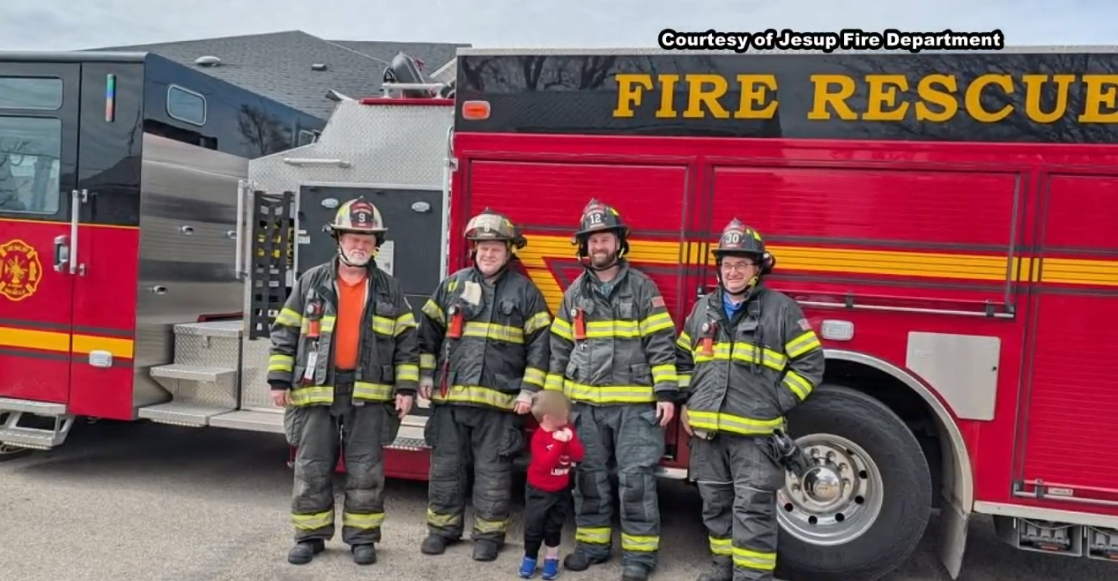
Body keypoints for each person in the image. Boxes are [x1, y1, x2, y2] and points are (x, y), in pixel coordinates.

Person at [267, 197, 419, 566]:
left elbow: (406, 343)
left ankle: (362, 538)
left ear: (376, 245)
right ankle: (309, 536)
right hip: (315, 389)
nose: (360, 245)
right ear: (338, 239)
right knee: (312, 466)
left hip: (369, 391)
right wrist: (278, 380)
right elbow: (285, 332)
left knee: (366, 468)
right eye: (353, 237)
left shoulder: (388, 289)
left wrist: (405, 388)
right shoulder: (311, 282)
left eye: (367, 240)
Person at [675, 219, 825, 581]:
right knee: (715, 508)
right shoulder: (703, 310)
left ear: (758, 269)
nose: (733, 272)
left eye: (742, 264)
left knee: (753, 512)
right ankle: (722, 570)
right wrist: (685, 404)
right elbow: (682, 358)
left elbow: (810, 364)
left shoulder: (781, 311)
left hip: (756, 439)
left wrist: (777, 401)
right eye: (727, 264)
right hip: (708, 435)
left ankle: (751, 578)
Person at [546, 198, 679, 581]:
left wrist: (666, 393)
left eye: (605, 239)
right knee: (589, 477)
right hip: (585, 407)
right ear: (583, 247)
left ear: (618, 243)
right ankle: (592, 546)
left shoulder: (641, 288)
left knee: (636, 479)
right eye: (592, 241)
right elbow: (559, 348)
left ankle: (639, 557)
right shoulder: (574, 293)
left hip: (635, 407)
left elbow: (660, 342)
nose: (598, 247)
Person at [417, 208, 553, 562]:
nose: (488, 253)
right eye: (482, 247)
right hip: (450, 399)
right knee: (445, 467)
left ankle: (488, 536)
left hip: (501, 404)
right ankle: (442, 530)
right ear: (473, 249)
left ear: (509, 252)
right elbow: (427, 335)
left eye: (496, 247)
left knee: (494, 472)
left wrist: (529, 392)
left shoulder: (525, 292)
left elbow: (541, 346)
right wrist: (426, 376)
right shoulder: (452, 286)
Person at [519, 390, 584, 580]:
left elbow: (578, 455)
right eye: (562, 413)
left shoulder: (567, 430)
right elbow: (545, 464)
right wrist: (557, 444)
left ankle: (551, 559)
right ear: (548, 417)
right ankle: (530, 558)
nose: (566, 415)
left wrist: (569, 440)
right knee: (534, 527)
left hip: (560, 490)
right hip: (539, 490)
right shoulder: (539, 438)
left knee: (553, 527)